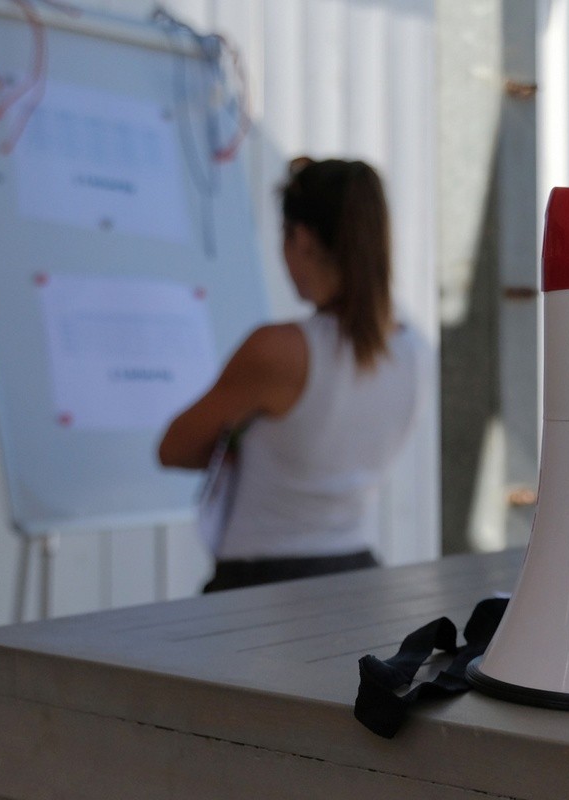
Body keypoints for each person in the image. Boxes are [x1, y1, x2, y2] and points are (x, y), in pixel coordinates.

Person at [158, 157, 424, 592]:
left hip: (263, 583)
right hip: (359, 576)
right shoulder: (415, 353)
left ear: (301, 239)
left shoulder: (281, 350)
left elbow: (174, 447)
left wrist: (238, 443)